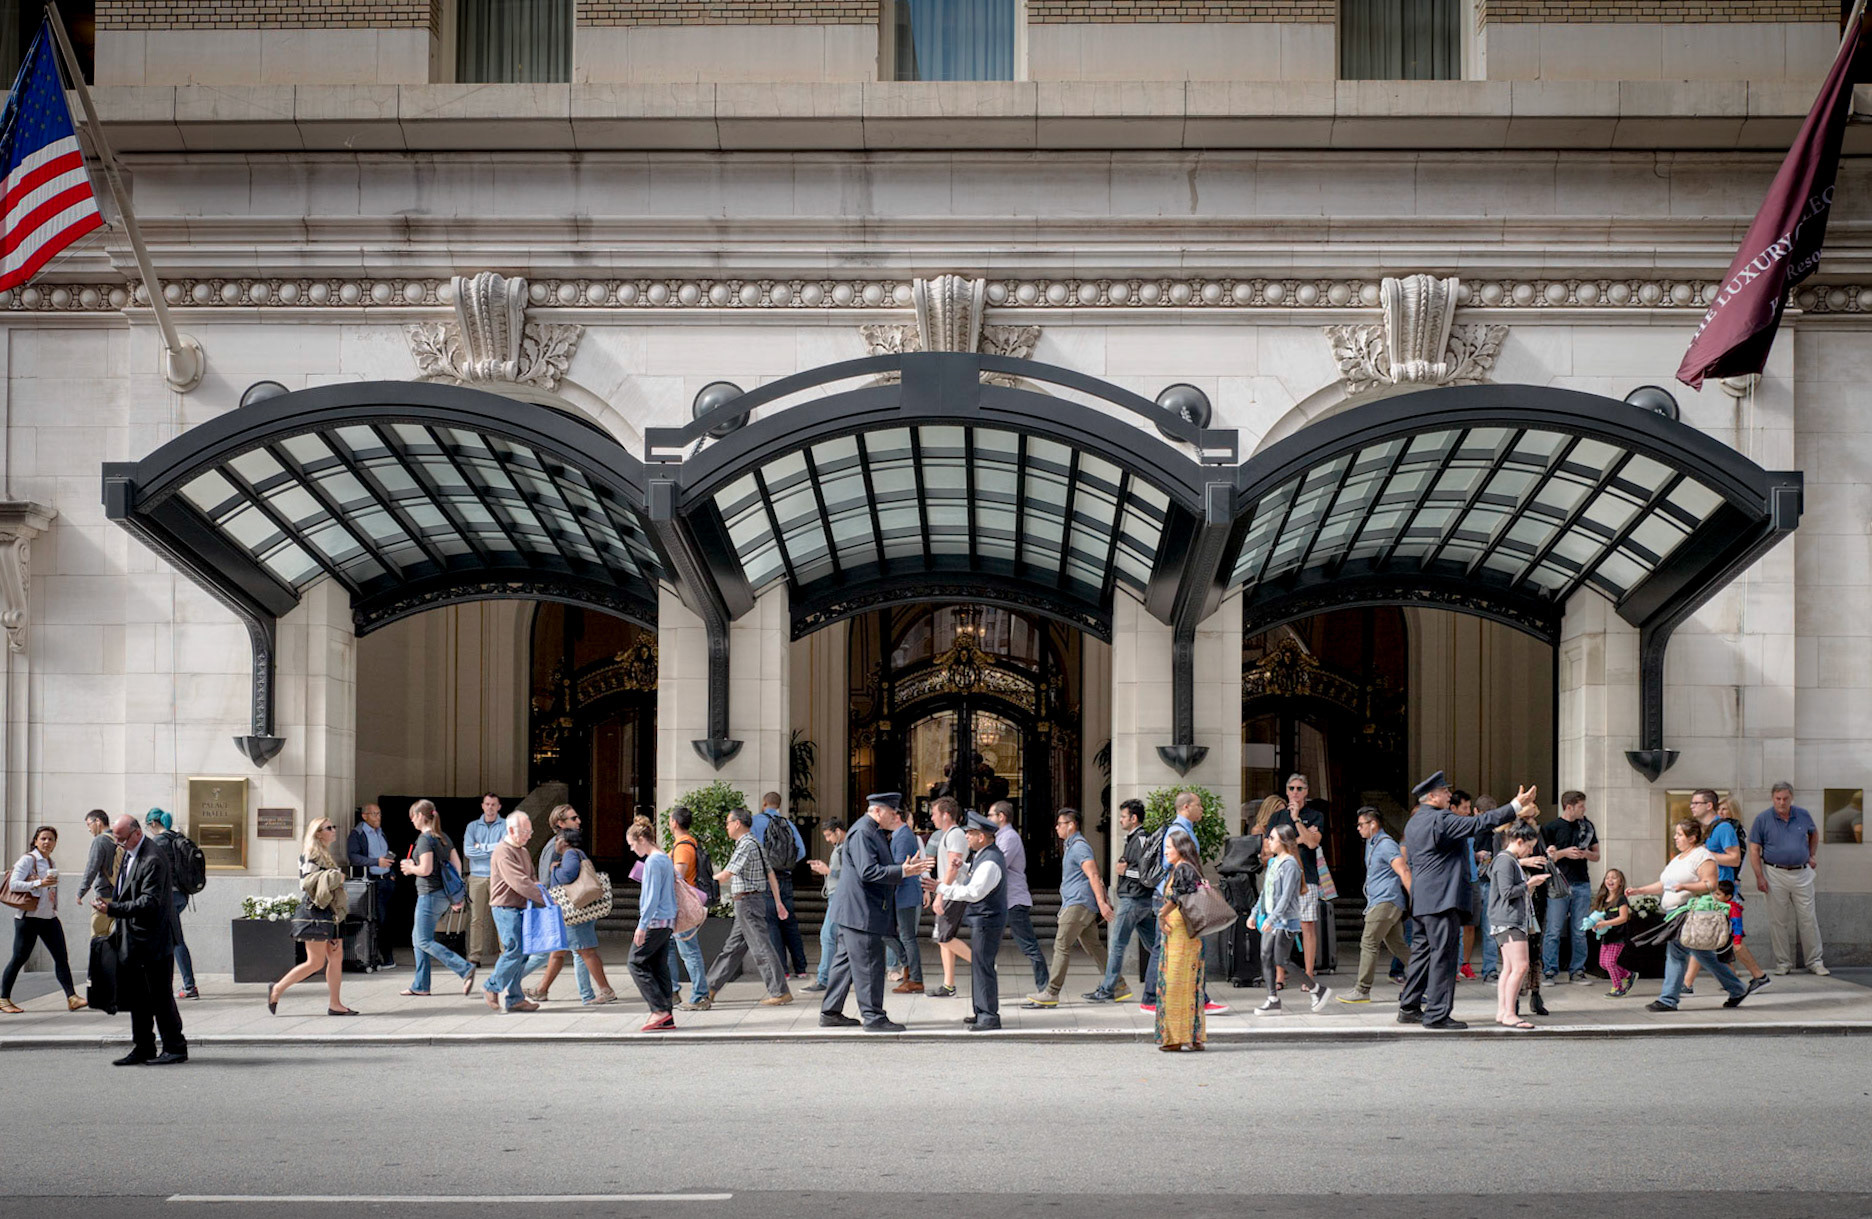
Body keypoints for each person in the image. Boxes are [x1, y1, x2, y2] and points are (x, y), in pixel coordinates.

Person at [1397, 772, 1532, 1031]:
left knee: (1422, 954)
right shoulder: (1441, 818)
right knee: (1444, 957)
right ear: (1432, 796)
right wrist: (1515, 805)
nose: (1450, 795)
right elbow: (1480, 822)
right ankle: (1437, 1014)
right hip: (1443, 899)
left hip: (1423, 898)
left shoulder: (1414, 822)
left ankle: (1409, 1006)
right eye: (1445, 791)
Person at [820, 793, 933, 1032]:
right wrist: (902, 871)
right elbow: (868, 871)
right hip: (862, 912)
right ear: (878, 811)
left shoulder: (869, 831)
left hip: (855, 910)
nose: (896, 817)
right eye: (892, 813)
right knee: (869, 964)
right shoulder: (864, 832)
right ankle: (873, 1017)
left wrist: (902, 870)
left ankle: (830, 1012)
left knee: (845, 963)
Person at [92, 815, 186, 1065]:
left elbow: (149, 902)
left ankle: (175, 1047)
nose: (118, 844)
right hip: (133, 938)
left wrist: (112, 909)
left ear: (136, 833)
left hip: (154, 939)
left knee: (160, 996)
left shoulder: (153, 858)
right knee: (138, 997)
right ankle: (144, 1046)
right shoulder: (129, 852)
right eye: (116, 839)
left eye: (122, 839)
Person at [1633, 819, 1749, 1012]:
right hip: (1674, 913)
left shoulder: (1703, 857)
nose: (1675, 838)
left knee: (1676, 953)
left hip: (1688, 912)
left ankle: (1668, 999)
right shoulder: (1679, 858)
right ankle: (1737, 988)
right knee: (1702, 954)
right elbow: (1664, 885)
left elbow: (1710, 884)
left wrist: (1685, 886)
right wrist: (1639, 890)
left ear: (1692, 837)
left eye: (1680, 834)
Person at [1141, 790, 1228, 1017]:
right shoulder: (1178, 831)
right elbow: (1171, 865)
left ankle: (1192, 997)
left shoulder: (1184, 829)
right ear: (1186, 807)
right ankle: (1155, 998)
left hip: (1175, 898)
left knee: (1180, 946)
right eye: (1198, 805)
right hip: (1173, 899)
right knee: (1174, 946)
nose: (1202, 809)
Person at [700, 808, 793, 1008]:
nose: (726, 827)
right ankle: (710, 987)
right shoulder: (755, 843)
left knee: (761, 947)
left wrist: (700, 887)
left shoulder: (746, 845)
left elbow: (727, 873)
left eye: (728, 822)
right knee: (732, 948)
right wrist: (778, 902)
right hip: (749, 902)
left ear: (737, 823)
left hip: (748, 902)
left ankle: (780, 991)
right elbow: (770, 874)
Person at [266, 818, 358, 1016]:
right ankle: (277, 988)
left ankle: (335, 1003)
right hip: (316, 912)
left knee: (336, 957)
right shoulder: (311, 854)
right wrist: (335, 877)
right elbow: (306, 883)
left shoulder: (325, 854)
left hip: (331, 912)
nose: (334, 830)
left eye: (334, 827)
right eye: (329, 828)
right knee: (315, 962)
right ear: (318, 833)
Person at [1023, 808, 1113, 1008]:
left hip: (1078, 903)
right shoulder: (1071, 846)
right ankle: (1117, 984)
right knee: (1093, 945)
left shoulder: (1079, 847)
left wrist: (1102, 904)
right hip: (1078, 901)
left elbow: (1094, 875)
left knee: (1061, 945)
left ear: (1071, 825)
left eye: (1060, 824)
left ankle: (1051, 992)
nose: (1057, 828)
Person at [1683, 791, 1769, 994]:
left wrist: (1705, 854)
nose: (1692, 806)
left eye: (1696, 802)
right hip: (1710, 891)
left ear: (1708, 806)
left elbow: (1734, 858)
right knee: (1705, 937)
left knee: (1724, 940)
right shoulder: (1708, 829)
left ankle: (1758, 976)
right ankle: (1690, 984)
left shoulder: (1724, 828)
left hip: (1722, 892)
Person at [935, 810, 1007, 1032]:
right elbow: (975, 874)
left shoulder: (990, 861)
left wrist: (942, 888)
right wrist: (963, 867)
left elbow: (974, 892)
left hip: (987, 920)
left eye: (970, 833)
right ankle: (981, 1011)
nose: (966, 836)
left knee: (983, 966)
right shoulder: (984, 855)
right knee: (979, 964)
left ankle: (988, 1016)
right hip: (983, 919)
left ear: (981, 837)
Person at [528, 827, 617, 1005]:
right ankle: (541, 990)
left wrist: (555, 869)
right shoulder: (574, 854)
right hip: (573, 911)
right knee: (558, 952)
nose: (555, 842)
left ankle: (606, 990)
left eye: (558, 839)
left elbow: (567, 875)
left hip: (575, 911)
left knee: (586, 951)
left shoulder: (570, 854)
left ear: (565, 841)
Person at [1748, 782, 1826, 976]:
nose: (1782, 802)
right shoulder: (1763, 819)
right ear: (1772, 798)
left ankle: (1815, 961)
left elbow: (1814, 833)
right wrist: (1759, 877)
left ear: (1791, 798)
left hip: (1802, 873)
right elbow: (1754, 849)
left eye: (1785, 798)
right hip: (1774, 873)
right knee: (1778, 921)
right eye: (1778, 799)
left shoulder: (1803, 815)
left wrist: (1811, 854)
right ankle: (1783, 963)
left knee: (1808, 918)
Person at [2, 826, 83, 1013]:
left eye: (51, 839)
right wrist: (39, 883)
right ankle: (3, 998)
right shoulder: (28, 859)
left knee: (61, 957)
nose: (47, 842)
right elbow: (14, 884)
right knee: (19, 958)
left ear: (55, 843)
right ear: (36, 841)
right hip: (29, 918)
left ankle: (72, 997)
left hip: (48, 917)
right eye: (43, 838)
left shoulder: (50, 862)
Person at [398, 800, 474, 997]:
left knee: (423, 940)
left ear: (420, 816)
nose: (412, 821)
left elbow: (426, 869)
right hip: (443, 895)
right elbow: (457, 866)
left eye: (413, 816)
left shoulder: (424, 839)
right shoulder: (443, 837)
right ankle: (421, 985)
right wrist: (455, 896)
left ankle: (464, 968)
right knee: (418, 939)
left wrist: (410, 868)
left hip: (429, 894)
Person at [1253, 825, 1330, 1012]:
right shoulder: (1273, 862)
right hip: (1271, 918)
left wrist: (1272, 919)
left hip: (1285, 921)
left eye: (1272, 838)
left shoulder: (1290, 865)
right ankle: (1272, 998)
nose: (1268, 842)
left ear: (1283, 841)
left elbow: (1287, 897)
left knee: (1282, 959)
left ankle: (1316, 989)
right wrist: (1255, 913)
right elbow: (1265, 892)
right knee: (1265, 956)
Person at [1086, 798, 1155, 1004]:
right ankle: (1173, 981)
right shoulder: (1134, 838)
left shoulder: (1141, 839)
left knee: (1117, 944)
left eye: (1123, 816)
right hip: (1139, 899)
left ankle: (1108, 989)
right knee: (1156, 946)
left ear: (1134, 818)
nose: (1120, 820)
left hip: (1133, 899)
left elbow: (1147, 873)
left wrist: (1125, 872)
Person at [1341, 806, 1409, 1004]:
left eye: (1361, 824)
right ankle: (1427, 977)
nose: (1358, 828)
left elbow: (1403, 870)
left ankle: (1362, 989)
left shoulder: (1386, 845)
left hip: (1386, 901)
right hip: (1381, 900)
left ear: (1373, 824)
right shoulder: (1372, 843)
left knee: (1369, 942)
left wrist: (1416, 897)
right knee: (1397, 945)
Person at [484, 811, 547, 1013]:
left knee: (523, 954)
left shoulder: (523, 851)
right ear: (511, 830)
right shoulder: (503, 852)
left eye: (530, 831)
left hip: (521, 907)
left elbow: (531, 877)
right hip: (505, 908)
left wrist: (540, 890)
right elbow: (519, 882)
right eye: (525, 831)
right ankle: (491, 986)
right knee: (515, 949)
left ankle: (515, 999)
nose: (529, 835)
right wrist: (543, 898)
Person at [1269, 774, 1329, 988]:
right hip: (1280, 877)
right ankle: (1279, 975)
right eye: (1292, 788)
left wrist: (1296, 821)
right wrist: (1300, 838)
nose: (1295, 792)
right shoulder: (1277, 817)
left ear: (1306, 791)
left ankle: (1309, 974)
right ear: (1287, 791)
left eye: (1300, 788)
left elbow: (1313, 843)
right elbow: (1269, 848)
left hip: (1307, 877)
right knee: (1280, 925)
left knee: (1307, 926)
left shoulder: (1315, 816)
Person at [1487, 823, 1547, 1030]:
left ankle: (1504, 1011)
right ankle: (1509, 1013)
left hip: (1506, 919)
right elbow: (1507, 892)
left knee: (1510, 967)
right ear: (1519, 841)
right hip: (1509, 920)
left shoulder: (1505, 860)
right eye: (1529, 847)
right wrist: (1530, 883)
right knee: (1520, 966)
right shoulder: (1506, 860)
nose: (1530, 852)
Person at [1155, 830, 1207, 1051]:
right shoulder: (1183, 868)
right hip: (1181, 932)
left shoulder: (1184, 868)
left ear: (1181, 848)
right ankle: (1190, 1037)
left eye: (1169, 847)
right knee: (1186, 983)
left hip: (1182, 934)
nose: (1166, 852)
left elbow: (1178, 896)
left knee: (1177, 982)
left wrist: (1161, 914)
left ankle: (1177, 1037)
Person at [989, 802, 1049, 995]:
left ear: (1001, 816)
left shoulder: (1009, 837)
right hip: (1003, 899)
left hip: (1014, 900)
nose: (988, 819)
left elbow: (998, 864)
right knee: (989, 944)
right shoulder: (1000, 837)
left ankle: (1045, 986)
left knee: (1028, 944)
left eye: (990, 815)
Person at [1539, 791, 1599, 982]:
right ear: (1569, 807)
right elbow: (1546, 857)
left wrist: (1585, 854)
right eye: (1581, 806)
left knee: (1579, 930)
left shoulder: (1587, 827)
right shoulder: (1551, 828)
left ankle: (1578, 970)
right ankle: (1549, 970)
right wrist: (1564, 853)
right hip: (1558, 884)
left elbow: (1597, 855)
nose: (1584, 809)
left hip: (1582, 882)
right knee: (1554, 929)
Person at [625, 821, 678, 1031]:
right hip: (667, 920)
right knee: (658, 966)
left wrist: (642, 924)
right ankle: (667, 1015)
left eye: (632, 844)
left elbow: (651, 896)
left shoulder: (653, 862)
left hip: (655, 921)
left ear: (641, 839)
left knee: (635, 962)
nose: (632, 849)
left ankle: (659, 1010)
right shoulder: (664, 858)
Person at [752, 792, 810, 979]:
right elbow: (801, 851)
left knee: (772, 923)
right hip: (786, 877)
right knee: (789, 922)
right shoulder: (787, 823)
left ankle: (782, 970)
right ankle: (801, 968)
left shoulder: (755, 822)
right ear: (779, 805)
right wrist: (786, 864)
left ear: (764, 803)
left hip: (767, 878)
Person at [143, 810, 198, 1002]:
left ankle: (187, 986)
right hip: (182, 895)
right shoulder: (177, 838)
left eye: (148, 825)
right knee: (170, 939)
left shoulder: (158, 842)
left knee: (174, 940)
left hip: (167, 898)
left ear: (153, 823)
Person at [925, 798, 972, 998]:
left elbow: (953, 867)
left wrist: (940, 893)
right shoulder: (948, 835)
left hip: (952, 892)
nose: (932, 818)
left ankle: (984, 964)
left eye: (934, 813)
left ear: (946, 815)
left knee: (944, 937)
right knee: (943, 939)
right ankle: (948, 984)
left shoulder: (955, 835)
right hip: (948, 890)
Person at [666, 806, 711, 1008]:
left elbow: (678, 875)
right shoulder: (683, 844)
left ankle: (700, 995)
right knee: (669, 947)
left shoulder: (683, 846)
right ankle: (672, 991)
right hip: (676, 905)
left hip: (682, 906)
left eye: (670, 820)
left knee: (689, 951)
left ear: (675, 823)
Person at [345, 802, 397, 968]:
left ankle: (386, 956)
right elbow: (354, 857)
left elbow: (385, 856)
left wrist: (391, 873)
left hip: (386, 880)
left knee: (389, 919)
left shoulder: (381, 833)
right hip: (372, 882)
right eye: (374, 814)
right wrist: (375, 862)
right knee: (379, 919)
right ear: (364, 816)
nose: (378, 817)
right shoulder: (357, 834)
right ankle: (384, 957)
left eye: (379, 813)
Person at [885, 808, 927, 995]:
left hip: (905, 893)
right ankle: (909, 968)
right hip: (902, 893)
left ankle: (915, 978)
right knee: (892, 934)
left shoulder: (903, 836)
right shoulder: (899, 835)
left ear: (896, 817)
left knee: (907, 937)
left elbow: (899, 867)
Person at [803, 819, 847, 994]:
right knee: (837, 938)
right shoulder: (841, 847)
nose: (828, 839)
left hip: (839, 896)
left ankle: (824, 978)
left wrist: (827, 871)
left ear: (838, 831)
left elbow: (850, 873)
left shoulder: (845, 847)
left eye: (829, 835)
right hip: (837, 895)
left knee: (828, 935)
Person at [462, 792, 505, 968]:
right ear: (482, 806)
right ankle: (474, 956)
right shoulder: (472, 826)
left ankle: (505, 955)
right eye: (487, 804)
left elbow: (505, 848)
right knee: (476, 918)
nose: (490, 808)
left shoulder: (506, 825)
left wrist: (481, 847)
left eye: (493, 804)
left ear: (499, 807)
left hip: (498, 876)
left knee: (501, 917)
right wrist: (493, 849)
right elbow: (468, 851)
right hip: (477, 877)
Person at [1591, 868, 1635, 997]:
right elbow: (1600, 917)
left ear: (1620, 882)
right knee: (1603, 963)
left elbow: (1623, 918)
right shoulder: (1604, 899)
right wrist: (1596, 925)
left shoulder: (1621, 899)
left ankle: (1618, 987)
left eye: (1614, 878)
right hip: (1607, 936)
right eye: (1607, 878)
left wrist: (1606, 923)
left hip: (1618, 935)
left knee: (1610, 962)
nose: (1610, 880)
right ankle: (1628, 975)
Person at [76, 809, 116, 905]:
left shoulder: (100, 840)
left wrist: (81, 892)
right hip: (121, 894)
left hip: (105, 895)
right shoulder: (118, 838)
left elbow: (92, 868)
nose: (89, 829)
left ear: (98, 821)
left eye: (89, 824)